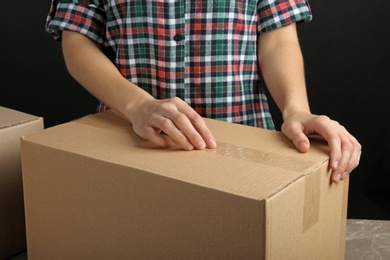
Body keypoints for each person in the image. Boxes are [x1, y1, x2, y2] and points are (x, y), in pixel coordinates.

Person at [46, 0, 361, 183]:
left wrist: (296, 110)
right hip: (131, 143)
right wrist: (138, 105)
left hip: (244, 150)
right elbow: (77, 40)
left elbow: (277, 36)